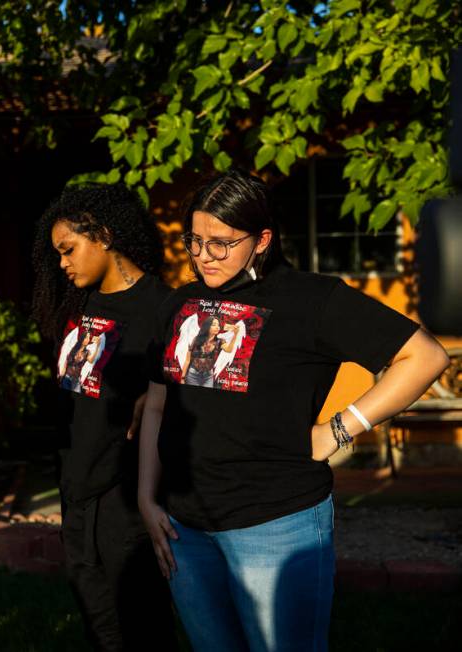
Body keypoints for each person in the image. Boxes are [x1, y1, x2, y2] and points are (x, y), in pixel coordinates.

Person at [138, 169, 450, 651]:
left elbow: (425, 356)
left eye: (221, 243)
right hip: (186, 530)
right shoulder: (182, 302)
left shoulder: (311, 299)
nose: (204, 256)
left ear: (261, 240)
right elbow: (158, 402)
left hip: (276, 526)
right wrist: (147, 498)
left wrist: (338, 430)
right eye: (194, 241)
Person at [31, 184, 178, 651]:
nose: (63, 263)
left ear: (104, 236)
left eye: (69, 249)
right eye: (58, 253)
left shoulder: (163, 306)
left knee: (143, 627)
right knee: (98, 630)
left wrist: (163, 394)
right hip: (77, 490)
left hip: (127, 496)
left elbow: (190, 389)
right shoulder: (77, 306)